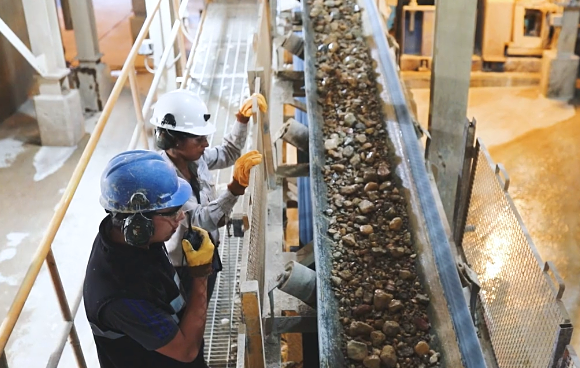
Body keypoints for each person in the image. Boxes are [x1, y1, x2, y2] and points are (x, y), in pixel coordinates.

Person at [84, 150, 216, 368]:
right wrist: (200, 275)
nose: (181, 216)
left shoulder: (127, 237)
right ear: (138, 224)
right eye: (172, 212)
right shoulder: (123, 298)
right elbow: (186, 351)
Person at [149, 89, 266, 299]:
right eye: (199, 139)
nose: (206, 144)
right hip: (186, 265)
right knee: (193, 311)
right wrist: (235, 188)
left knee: (204, 299)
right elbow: (201, 220)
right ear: (174, 141)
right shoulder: (165, 181)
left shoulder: (195, 158)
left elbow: (227, 153)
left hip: (206, 248)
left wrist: (241, 120)